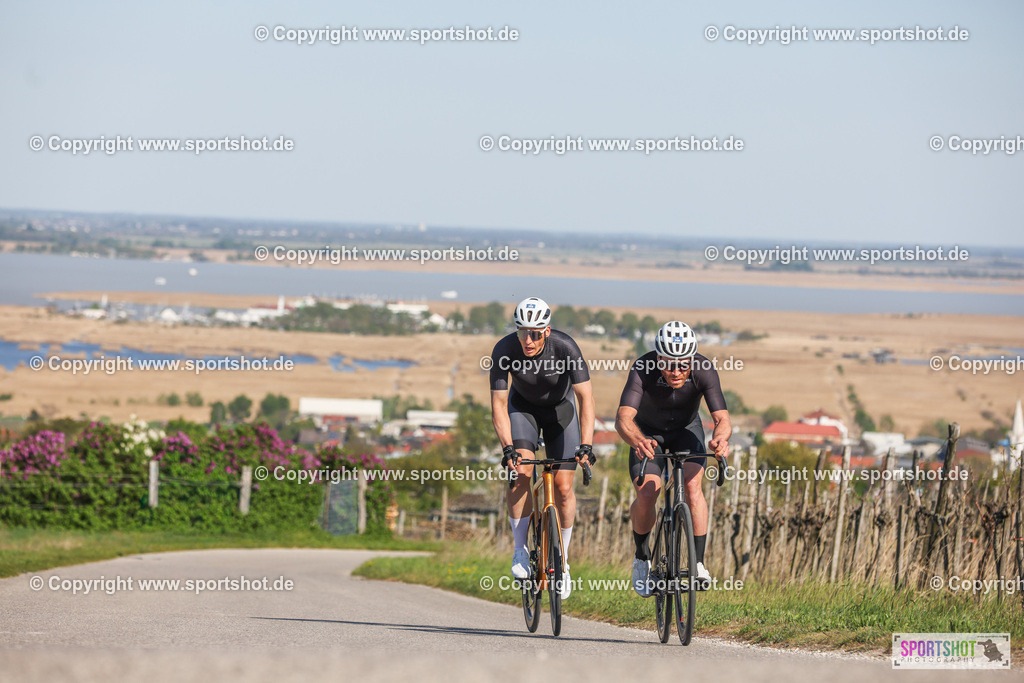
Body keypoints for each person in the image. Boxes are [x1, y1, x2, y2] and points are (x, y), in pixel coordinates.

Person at [615, 320, 731, 596]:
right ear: (658, 359)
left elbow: (722, 419)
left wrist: (720, 439)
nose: (676, 372)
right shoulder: (642, 368)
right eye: (669, 365)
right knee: (647, 492)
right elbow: (623, 418)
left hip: (686, 431)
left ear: (692, 360)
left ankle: (698, 563)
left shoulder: (703, 369)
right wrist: (638, 440)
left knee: (692, 488)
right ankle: (642, 558)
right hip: (647, 435)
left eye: (683, 365)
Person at [490, 296, 596, 600]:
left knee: (563, 487)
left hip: (561, 413)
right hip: (522, 411)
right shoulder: (504, 349)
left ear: (547, 331)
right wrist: (508, 448)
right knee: (520, 473)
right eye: (523, 332)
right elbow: (498, 404)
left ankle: (563, 562)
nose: (528, 340)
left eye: (535, 334)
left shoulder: (565, 347)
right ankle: (520, 550)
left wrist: (586, 444)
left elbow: (586, 399)